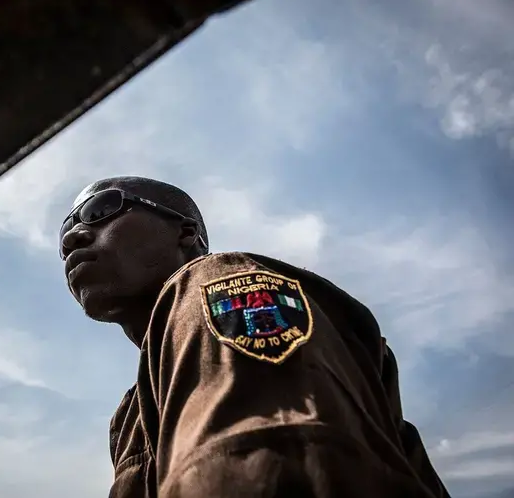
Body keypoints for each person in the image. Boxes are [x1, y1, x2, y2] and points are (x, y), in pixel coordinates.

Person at [59, 176, 450, 498]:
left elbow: (274, 465)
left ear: (185, 232)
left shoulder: (218, 285)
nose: (72, 238)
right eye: (67, 228)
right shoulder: (132, 412)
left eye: (100, 212)